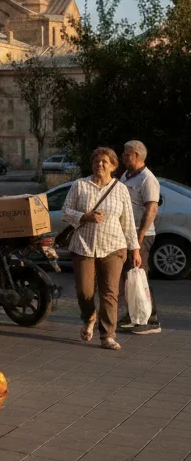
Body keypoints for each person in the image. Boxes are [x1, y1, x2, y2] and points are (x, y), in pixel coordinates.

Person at [62, 147, 140, 350]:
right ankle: (89, 317)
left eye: (105, 161)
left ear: (113, 166)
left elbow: (128, 221)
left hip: (114, 246)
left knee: (109, 292)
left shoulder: (121, 189)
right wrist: (84, 216)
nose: (100, 164)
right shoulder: (80, 186)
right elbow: (65, 211)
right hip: (84, 246)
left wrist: (135, 249)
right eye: (97, 161)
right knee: (84, 291)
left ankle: (107, 335)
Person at [119, 140, 160, 335]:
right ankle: (133, 315)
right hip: (126, 234)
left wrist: (139, 237)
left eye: (127, 154)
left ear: (137, 156)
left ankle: (151, 320)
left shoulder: (147, 178)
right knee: (130, 277)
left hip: (141, 234)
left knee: (140, 275)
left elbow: (151, 209)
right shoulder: (126, 176)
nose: (123, 157)